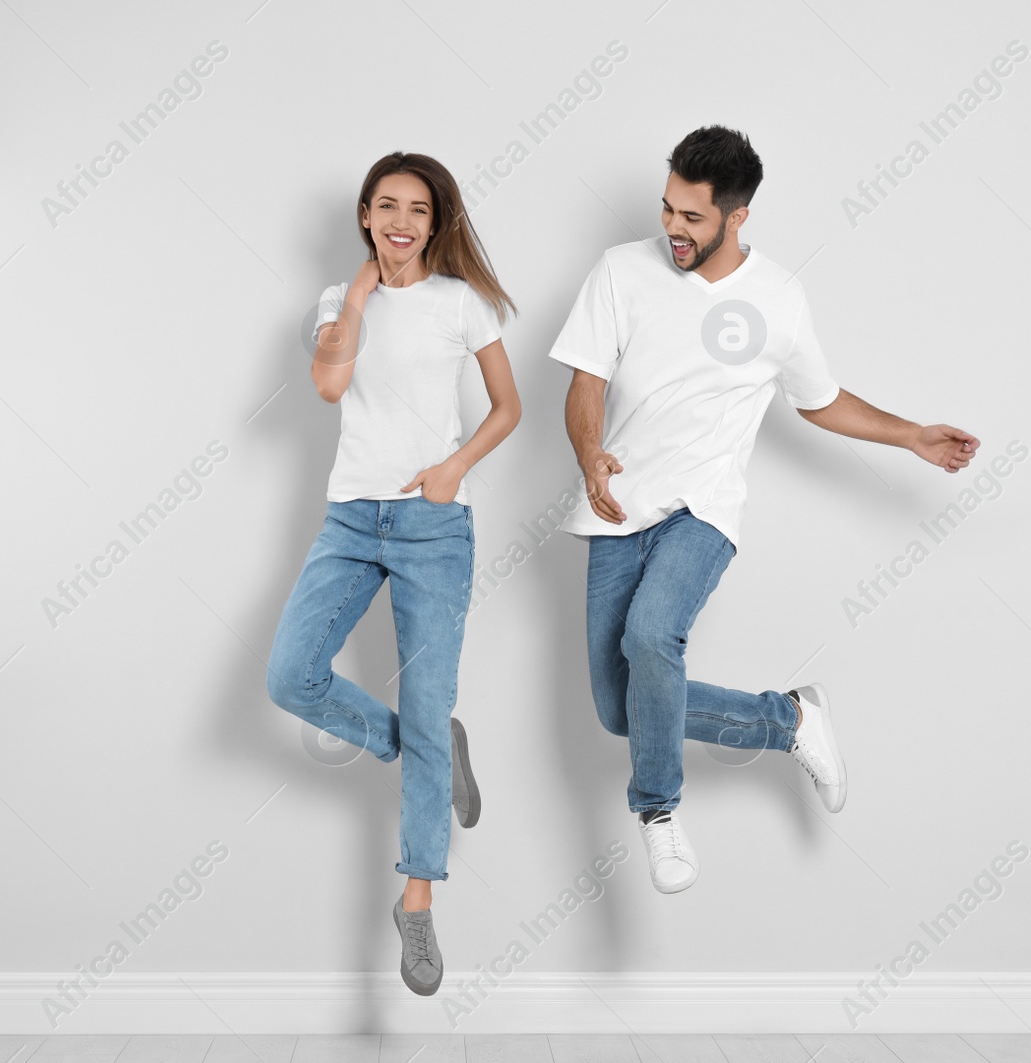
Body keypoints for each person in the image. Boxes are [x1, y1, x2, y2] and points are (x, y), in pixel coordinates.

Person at [550, 125, 978, 894]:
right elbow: (584, 384)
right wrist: (589, 454)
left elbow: (821, 400)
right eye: (668, 210)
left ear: (736, 216)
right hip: (616, 506)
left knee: (653, 636)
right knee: (622, 709)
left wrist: (910, 434)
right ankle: (791, 721)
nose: (673, 230)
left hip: (703, 510)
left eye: (692, 218)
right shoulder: (620, 271)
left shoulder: (778, 295)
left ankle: (656, 812)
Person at [266, 151, 520, 992]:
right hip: (350, 519)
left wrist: (453, 467)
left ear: (437, 219)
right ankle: (429, 748)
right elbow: (331, 387)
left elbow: (508, 406)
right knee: (290, 676)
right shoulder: (337, 307)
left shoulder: (463, 304)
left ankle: (417, 903)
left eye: (417, 207)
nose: (401, 220)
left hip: (433, 526)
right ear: (366, 217)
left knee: (426, 689)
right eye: (386, 206)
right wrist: (362, 293)